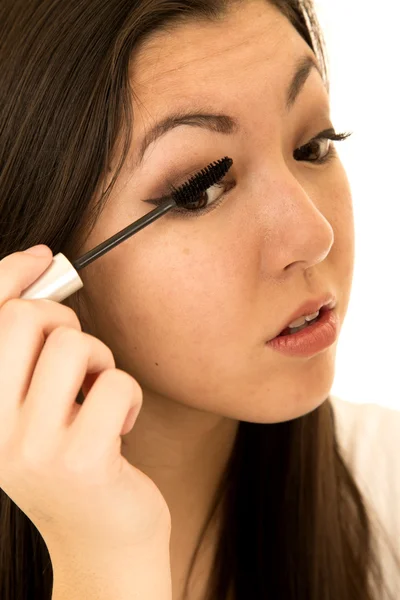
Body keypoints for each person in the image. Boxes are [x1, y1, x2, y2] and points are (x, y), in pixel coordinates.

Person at [0, 1, 399, 599]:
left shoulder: (386, 485)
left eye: (313, 144)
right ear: (42, 275)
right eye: (201, 190)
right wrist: (105, 567)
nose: (314, 236)